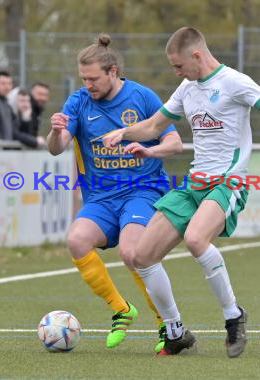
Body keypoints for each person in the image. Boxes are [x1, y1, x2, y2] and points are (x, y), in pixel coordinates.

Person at [103, 26, 260, 357]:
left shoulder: (234, 83)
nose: (176, 72)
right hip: (195, 184)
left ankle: (233, 316)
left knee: (196, 239)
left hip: (228, 181)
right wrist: (124, 132)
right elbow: (153, 126)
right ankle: (176, 331)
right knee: (141, 256)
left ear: (197, 55)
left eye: (179, 66)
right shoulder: (187, 88)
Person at [46, 33, 183, 352]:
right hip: (101, 198)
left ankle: (165, 323)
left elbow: (174, 143)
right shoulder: (78, 101)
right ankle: (121, 309)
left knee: (132, 252)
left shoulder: (143, 97)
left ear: (112, 72)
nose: (88, 84)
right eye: (83, 78)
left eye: (93, 78)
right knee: (76, 240)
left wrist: (149, 152)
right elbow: (57, 148)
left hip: (143, 190)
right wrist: (54, 131)